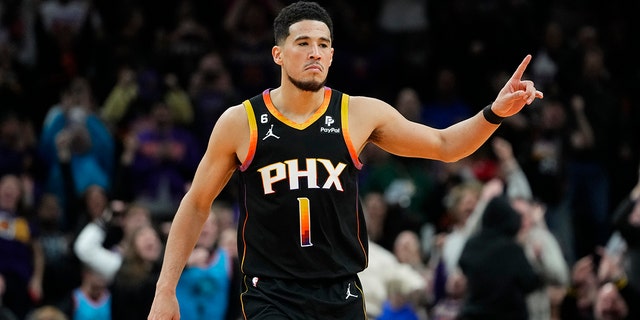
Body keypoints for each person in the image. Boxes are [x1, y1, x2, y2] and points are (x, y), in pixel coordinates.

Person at [147, 2, 543, 319]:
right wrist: (165, 291)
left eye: (322, 44)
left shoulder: (359, 114)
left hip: (343, 290)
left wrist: (494, 113)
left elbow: (443, 145)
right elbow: (197, 204)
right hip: (271, 292)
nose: (314, 52)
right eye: (302, 43)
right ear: (278, 54)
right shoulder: (241, 121)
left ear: (333, 55)